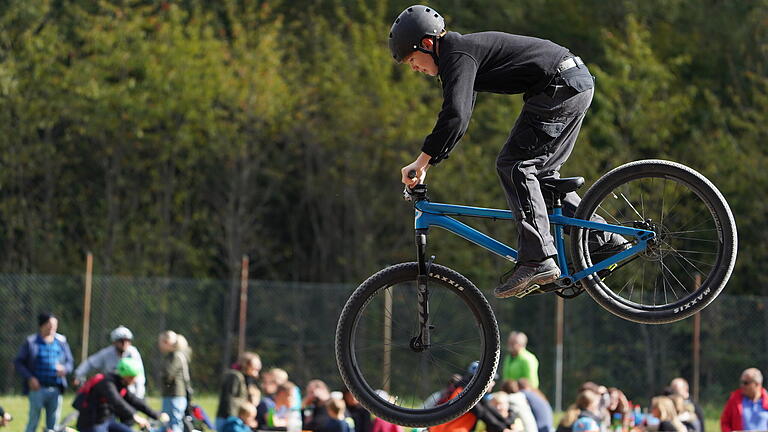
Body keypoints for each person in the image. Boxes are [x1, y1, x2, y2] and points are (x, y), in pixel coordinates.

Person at [391, 5, 627, 298]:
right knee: (540, 177)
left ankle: (538, 259)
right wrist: (431, 159)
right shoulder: (460, 57)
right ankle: (604, 239)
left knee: (514, 165)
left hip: (559, 85)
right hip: (572, 82)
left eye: (413, 60)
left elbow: (455, 116)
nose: (414, 68)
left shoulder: (456, 53)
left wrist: (423, 161)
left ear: (428, 44)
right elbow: (459, 117)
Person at [14, 312, 74, 432]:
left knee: (53, 425)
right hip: (37, 388)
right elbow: (18, 363)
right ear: (42, 325)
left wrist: (65, 369)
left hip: (56, 388)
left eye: (55, 325)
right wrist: (30, 378)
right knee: (33, 421)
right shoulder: (31, 342)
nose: (52, 328)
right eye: (50, 324)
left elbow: (70, 362)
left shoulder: (61, 342)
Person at [75, 357, 166, 432]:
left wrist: (156, 415)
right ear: (126, 376)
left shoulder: (120, 383)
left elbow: (134, 400)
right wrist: (135, 417)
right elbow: (117, 401)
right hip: (91, 423)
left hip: (107, 420)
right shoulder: (107, 383)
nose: (134, 380)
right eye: (132, 377)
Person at [429, 363, 514, 432]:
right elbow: (482, 413)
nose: (493, 383)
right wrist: (502, 428)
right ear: (482, 378)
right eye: (491, 379)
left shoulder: (469, 390)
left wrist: (507, 423)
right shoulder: (464, 392)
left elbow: (488, 408)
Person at [74, 325, 146, 399]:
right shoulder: (106, 354)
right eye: (121, 341)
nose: (124, 343)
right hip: (111, 389)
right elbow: (90, 363)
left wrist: (139, 395)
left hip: (129, 390)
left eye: (127, 340)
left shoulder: (133, 353)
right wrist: (78, 374)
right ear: (114, 342)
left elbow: (140, 375)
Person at [216, 351, 262, 432]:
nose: (257, 369)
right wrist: (234, 419)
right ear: (246, 364)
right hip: (228, 419)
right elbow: (230, 400)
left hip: (235, 419)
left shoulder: (246, 379)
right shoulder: (235, 376)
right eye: (255, 366)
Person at [158, 330, 192, 432]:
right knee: (167, 423)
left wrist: (162, 376)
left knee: (174, 423)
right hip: (171, 394)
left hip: (176, 394)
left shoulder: (176, 356)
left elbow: (169, 375)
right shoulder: (172, 356)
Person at [720, 367, 768, 432]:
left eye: (746, 383)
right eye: (741, 382)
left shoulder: (766, 400)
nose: (742, 385)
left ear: (757, 384)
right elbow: (725, 422)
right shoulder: (734, 399)